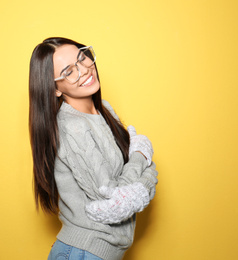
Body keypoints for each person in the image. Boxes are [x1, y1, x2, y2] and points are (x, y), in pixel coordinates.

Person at [29, 37, 158, 260]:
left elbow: (132, 181)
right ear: (55, 89)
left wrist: (139, 170)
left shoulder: (103, 110)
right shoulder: (73, 127)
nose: (85, 70)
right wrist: (141, 156)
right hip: (83, 252)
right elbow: (116, 200)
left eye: (82, 57)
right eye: (69, 71)